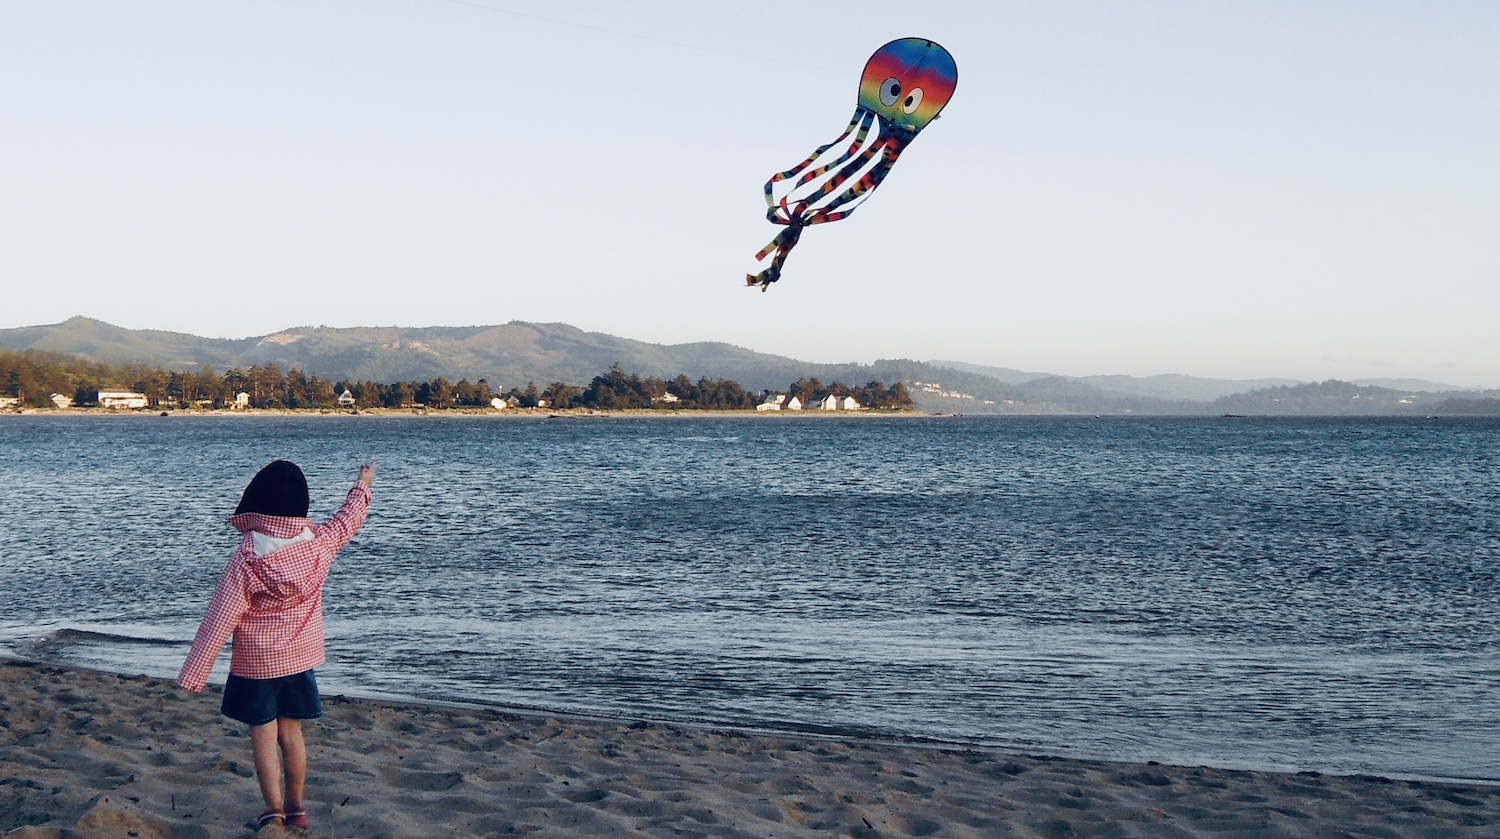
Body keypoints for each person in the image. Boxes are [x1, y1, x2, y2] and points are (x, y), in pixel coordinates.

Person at [178, 459, 374, 833]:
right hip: (300, 660)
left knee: (264, 736)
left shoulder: (249, 557)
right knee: (292, 734)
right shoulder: (319, 544)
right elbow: (349, 519)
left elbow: (220, 617)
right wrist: (362, 484)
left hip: (257, 664)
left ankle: (273, 810)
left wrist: (193, 676)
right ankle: (297, 807)